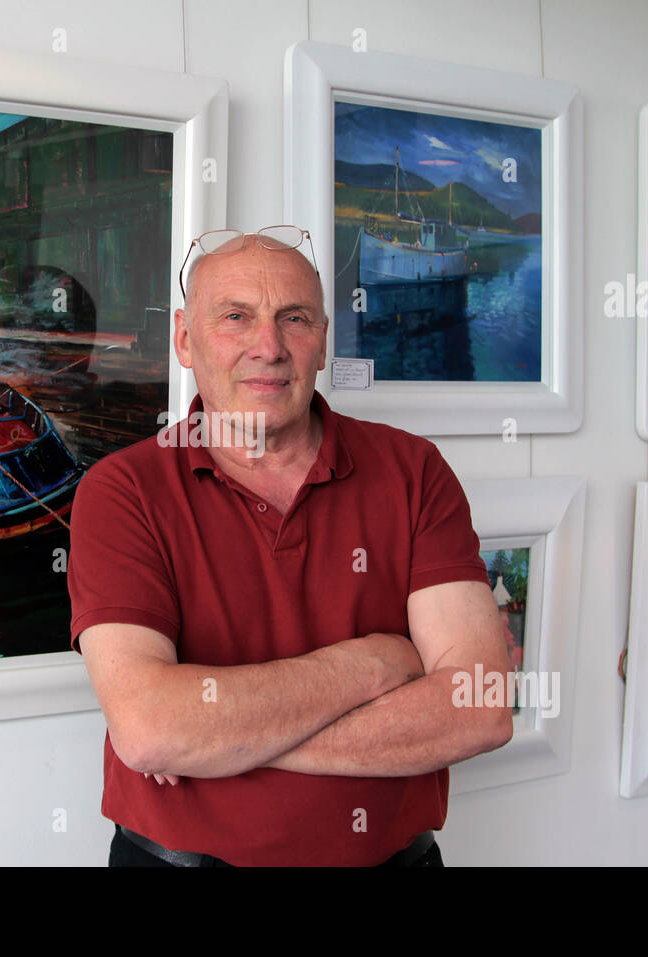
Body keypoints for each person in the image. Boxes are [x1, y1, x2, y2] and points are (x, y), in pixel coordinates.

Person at [67, 226, 512, 867]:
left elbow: (480, 706)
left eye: (293, 318)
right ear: (186, 340)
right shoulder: (124, 490)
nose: (268, 347)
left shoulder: (413, 470)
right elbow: (151, 729)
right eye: (236, 318)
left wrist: (216, 738)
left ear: (324, 340)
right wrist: (374, 665)